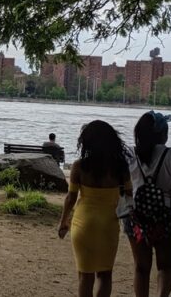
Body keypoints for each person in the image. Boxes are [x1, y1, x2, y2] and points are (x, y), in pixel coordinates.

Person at [58, 121, 132, 297]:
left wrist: (63, 222)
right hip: (109, 224)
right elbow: (129, 194)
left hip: (84, 224)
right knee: (105, 275)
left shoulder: (79, 166)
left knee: (85, 276)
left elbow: (71, 198)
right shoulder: (121, 167)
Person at [125, 111, 171, 297]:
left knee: (141, 268)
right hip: (166, 217)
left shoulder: (130, 154)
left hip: (135, 217)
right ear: (162, 134)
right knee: (166, 266)